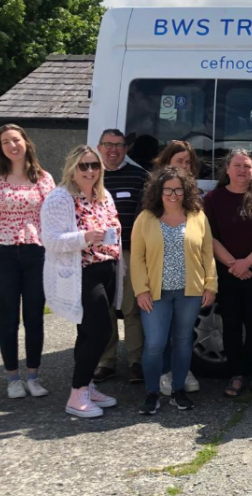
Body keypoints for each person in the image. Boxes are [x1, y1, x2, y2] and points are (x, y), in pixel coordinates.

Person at [40, 146, 122, 419]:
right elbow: (50, 240)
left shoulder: (104, 195)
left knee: (87, 333)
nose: (90, 171)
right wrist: (85, 237)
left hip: (106, 268)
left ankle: (86, 385)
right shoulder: (60, 197)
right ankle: (76, 394)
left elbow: (112, 229)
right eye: (83, 166)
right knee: (100, 331)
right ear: (72, 169)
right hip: (80, 273)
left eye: (94, 165)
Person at [0, 124, 54, 399]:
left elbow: (53, 220)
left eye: (16, 140)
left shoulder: (43, 179)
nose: (12, 145)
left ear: (26, 143)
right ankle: (12, 378)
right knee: (8, 319)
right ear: (1, 148)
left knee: (34, 318)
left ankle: (33, 375)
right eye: (6, 141)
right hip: (2, 252)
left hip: (36, 252)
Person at [130, 166, 217, 415]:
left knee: (182, 342)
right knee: (155, 344)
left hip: (189, 291)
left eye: (178, 189)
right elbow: (136, 259)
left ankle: (178, 391)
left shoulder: (197, 216)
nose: (173, 194)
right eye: (167, 189)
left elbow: (207, 253)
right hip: (155, 294)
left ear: (186, 190)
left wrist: (211, 284)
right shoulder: (146, 218)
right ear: (158, 191)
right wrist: (141, 290)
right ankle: (151, 393)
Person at [205, 148, 252, 399]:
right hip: (227, 275)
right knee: (231, 326)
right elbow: (210, 237)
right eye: (237, 165)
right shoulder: (213, 199)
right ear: (227, 169)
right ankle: (236, 375)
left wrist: (246, 262)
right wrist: (233, 264)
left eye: (247, 166)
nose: (242, 170)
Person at [94, 129, 150, 384]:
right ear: (99, 146)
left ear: (126, 148)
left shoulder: (140, 176)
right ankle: (106, 362)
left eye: (118, 145)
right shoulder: (90, 176)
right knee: (102, 309)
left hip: (129, 252)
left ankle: (135, 361)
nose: (113, 150)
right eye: (108, 145)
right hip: (99, 254)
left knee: (131, 308)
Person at [147, 142, 201, 394]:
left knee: (181, 333)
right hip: (157, 281)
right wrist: (141, 287)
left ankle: (179, 373)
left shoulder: (194, 199)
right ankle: (163, 374)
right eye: (179, 161)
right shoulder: (152, 198)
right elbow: (140, 251)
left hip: (186, 281)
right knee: (160, 335)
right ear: (166, 163)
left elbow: (205, 247)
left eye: (188, 162)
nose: (185, 166)